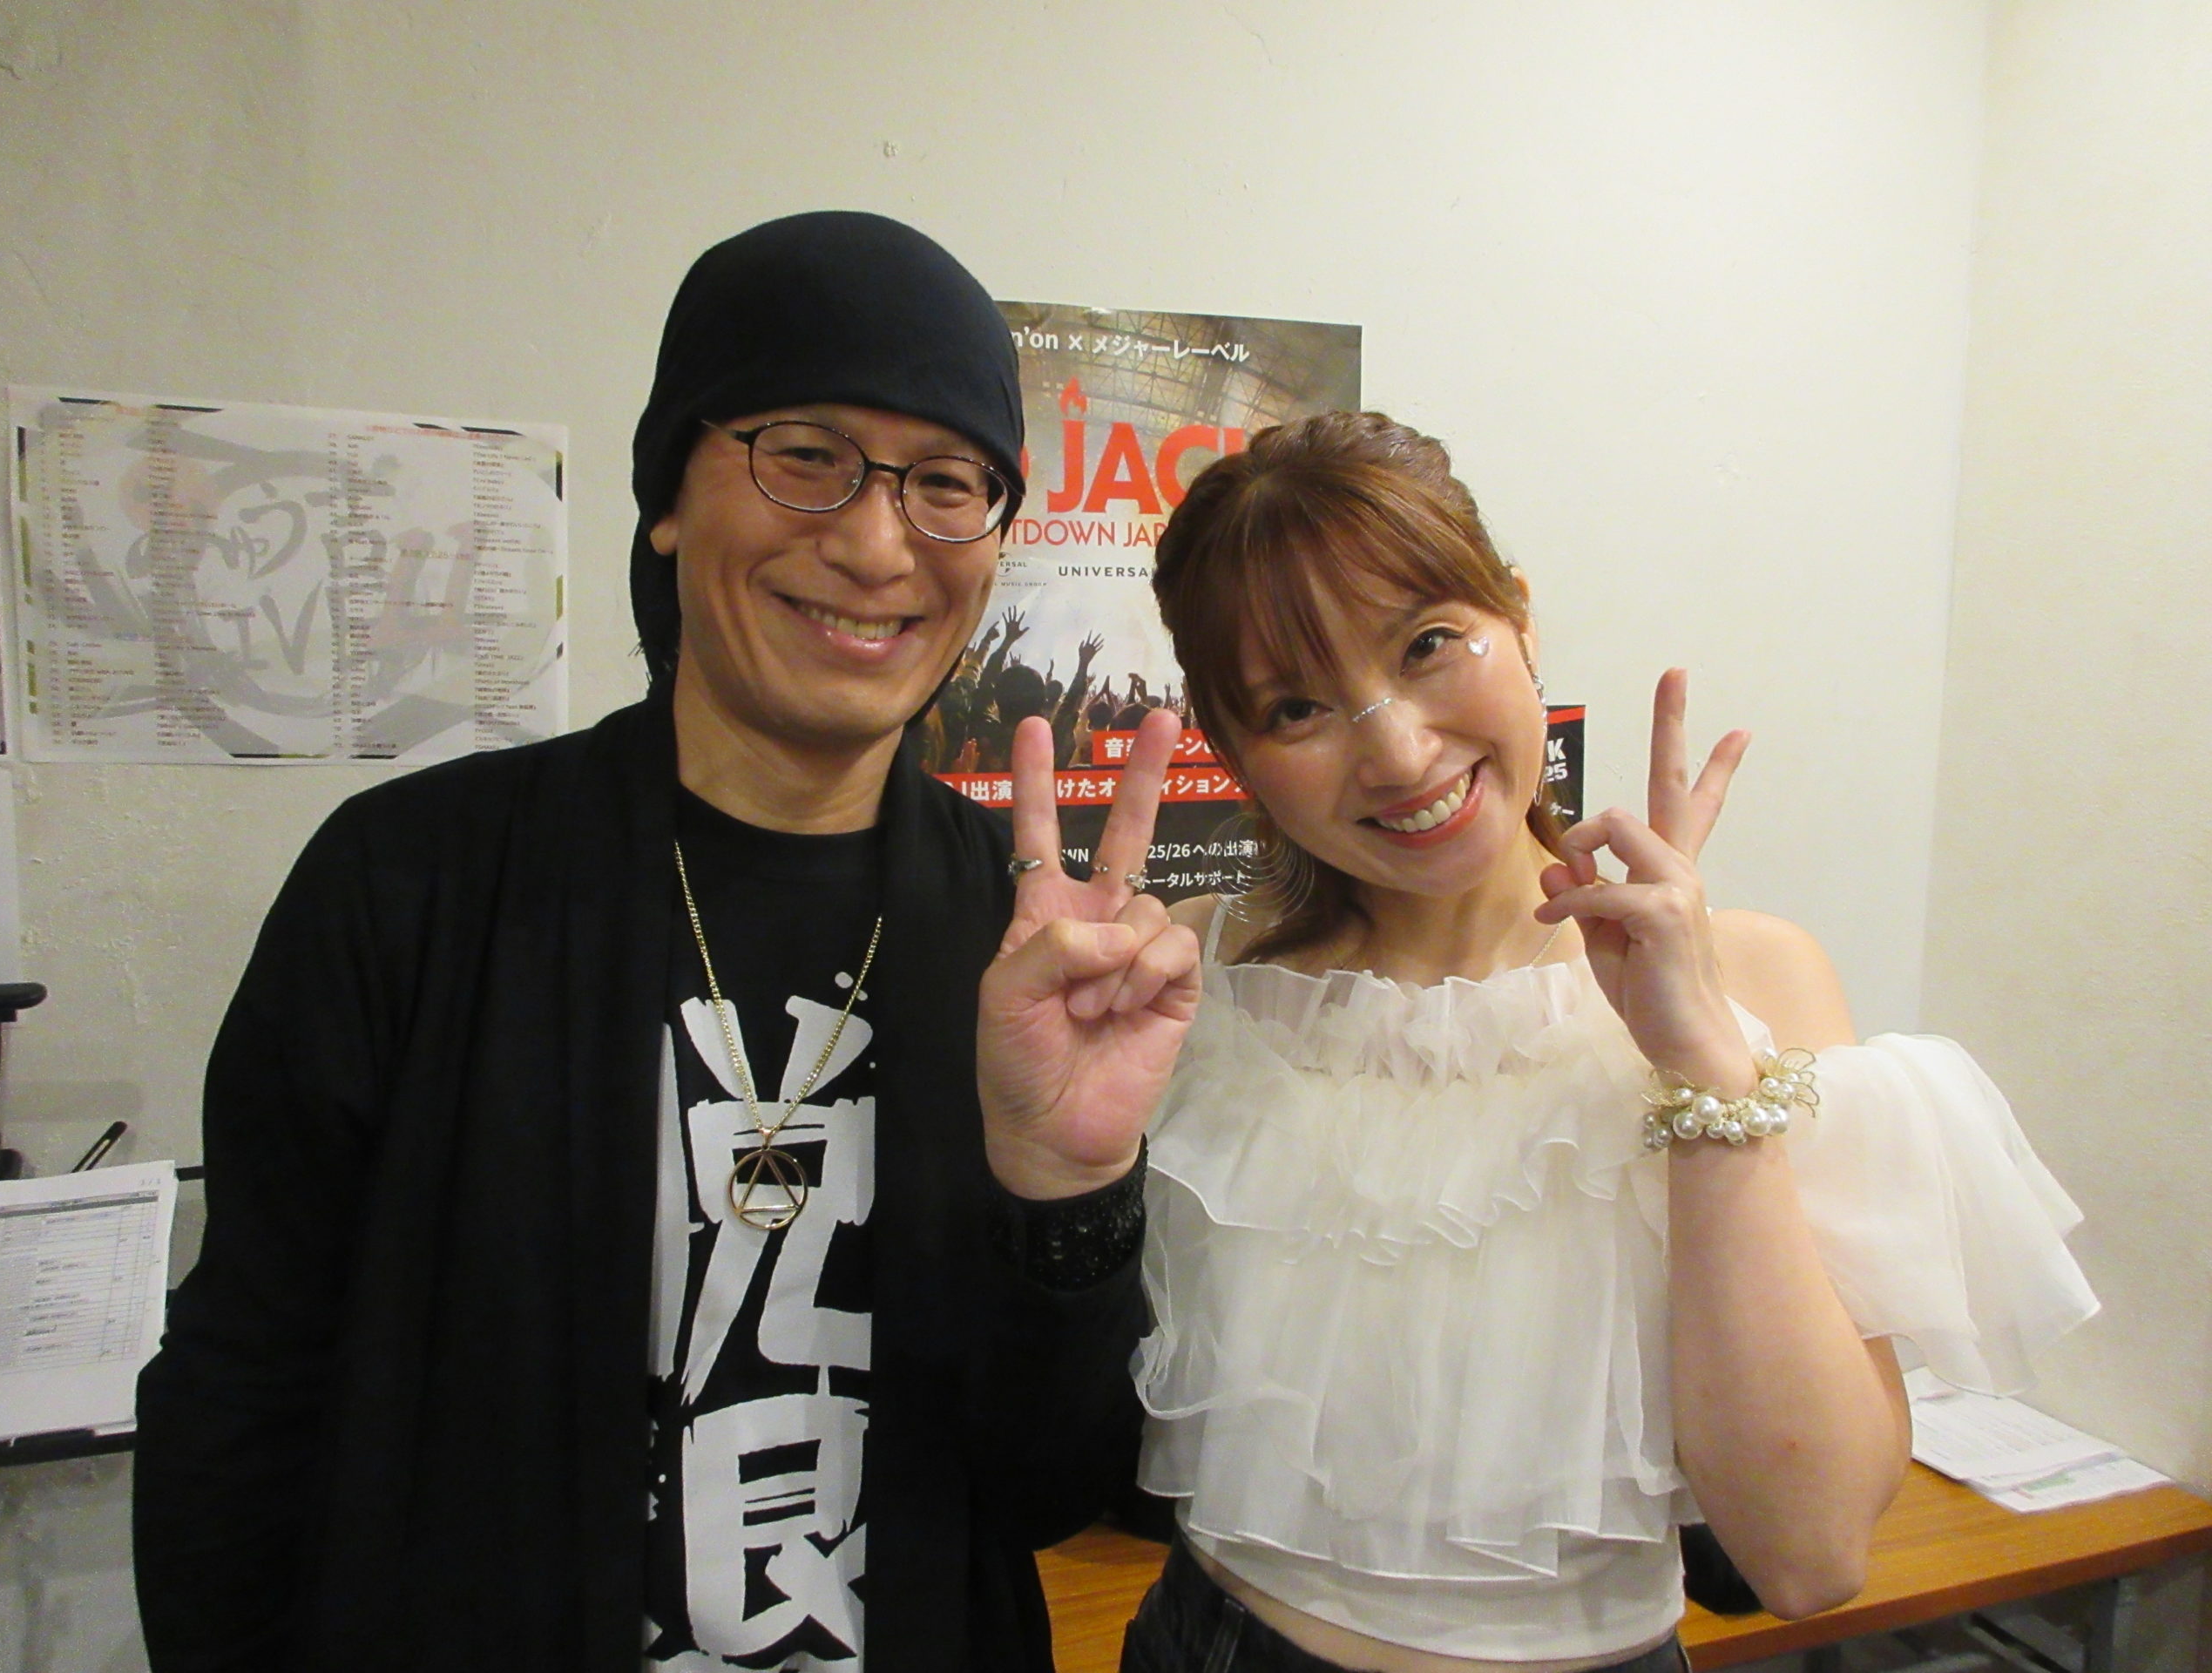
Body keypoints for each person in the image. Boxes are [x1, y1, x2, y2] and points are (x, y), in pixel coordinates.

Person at [132, 211, 1199, 1673]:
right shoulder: (415, 886)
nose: (875, 542)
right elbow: (241, 1402)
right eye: (806, 455)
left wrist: (1063, 1189)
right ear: (669, 499)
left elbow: (1046, 1486)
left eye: (947, 483)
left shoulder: (1019, 944)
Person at [1101, 410, 2097, 1673]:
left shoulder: (1752, 980)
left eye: (1428, 644)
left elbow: (1808, 1555)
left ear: (1520, 618)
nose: (1399, 753)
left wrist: (1700, 1069)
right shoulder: (1186, 976)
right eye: (1297, 707)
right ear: (1236, 753)